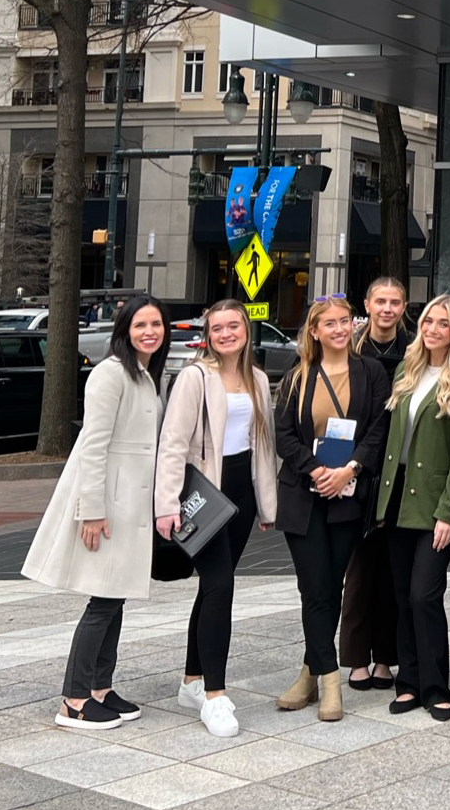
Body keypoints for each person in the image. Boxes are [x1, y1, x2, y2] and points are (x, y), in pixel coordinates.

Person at [24, 297, 169, 729]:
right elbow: (92, 444)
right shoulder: (110, 373)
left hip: (131, 503)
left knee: (115, 595)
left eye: (156, 324)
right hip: (108, 504)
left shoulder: (147, 374)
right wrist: (90, 510)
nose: (149, 332)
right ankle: (73, 698)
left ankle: (100, 687)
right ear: (124, 330)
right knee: (103, 600)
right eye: (140, 324)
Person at [154, 300, 279, 738]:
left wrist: (266, 503)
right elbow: (173, 443)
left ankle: (191, 680)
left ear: (246, 330)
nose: (226, 334)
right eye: (218, 328)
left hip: (242, 492)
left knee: (212, 586)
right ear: (208, 335)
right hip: (204, 492)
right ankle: (214, 695)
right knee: (221, 585)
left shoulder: (258, 379)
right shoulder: (195, 377)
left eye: (234, 326)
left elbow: (263, 443)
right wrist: (166, 503)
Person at [273, 296, 393, 722]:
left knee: (331, 587)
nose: (340, 329)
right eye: (330, 323)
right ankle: (329, 682)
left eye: (345, 321)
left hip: (348, 494)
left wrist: (349, 470)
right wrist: (316, 469)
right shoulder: (298, 375)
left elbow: (379, 428)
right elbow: (284, 435)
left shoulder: (371, 372)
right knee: (314, 587)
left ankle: (310, 671)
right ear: (314, 331)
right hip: (303, 495)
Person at [379, 295, 450, 720]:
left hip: (435, 500)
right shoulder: (406, 370)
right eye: (429, 321)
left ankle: (436, 686)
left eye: (443, 323)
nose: (433, 329)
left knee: (425, 594)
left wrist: (449, 512)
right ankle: (409, 683)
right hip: (397, 494)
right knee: (402, 595)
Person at [341, 276, 412, 693]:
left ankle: (386, 657)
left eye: (395, 302)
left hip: (400, 466)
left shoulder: (414, 349)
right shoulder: (350, 346)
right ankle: (355, 658)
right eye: (380, 301)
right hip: (357, 464)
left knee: (392, 567)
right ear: (366, 304)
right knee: (360, 567)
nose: (387, 309)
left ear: (404, 307)